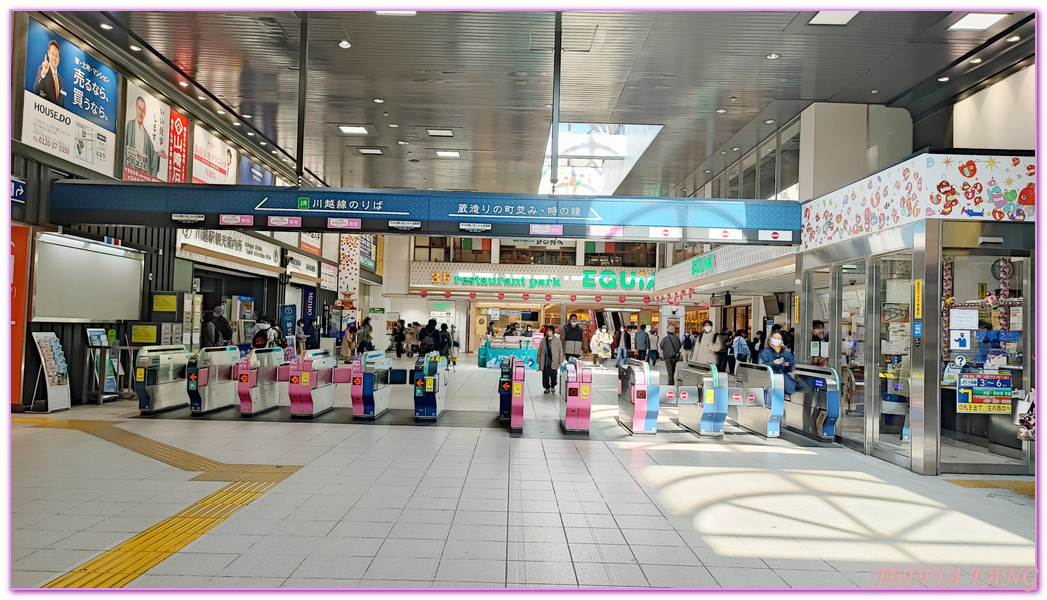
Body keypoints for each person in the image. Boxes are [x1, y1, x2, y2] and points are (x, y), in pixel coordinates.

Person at [124, 96, 168, 177]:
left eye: (143, 110)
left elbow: (151, 154)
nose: (140, 112)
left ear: (145, 113)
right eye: (139, 108)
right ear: (135, 108)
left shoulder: (146, 135)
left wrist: (157, 154)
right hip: (130, 169)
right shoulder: (130, 125)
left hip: (142, 172)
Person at [760, 330, 799, 404]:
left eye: (779, 338)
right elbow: (762, 366)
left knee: (789, 389)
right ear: (770, 339)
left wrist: (788, 365)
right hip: (770, 378)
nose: (776, 340)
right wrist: (773, 363)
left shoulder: (786, 353)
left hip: (782, 377)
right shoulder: (766, 352)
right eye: (775, 338)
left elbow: (792, 366)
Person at [33, 40, 65, 107]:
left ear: (59, 59)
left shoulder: (61, 81)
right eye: (52, 54)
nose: (54, 58)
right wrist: (43, 73)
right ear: (48, 53)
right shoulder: (43, 69)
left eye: (56, 56)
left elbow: (61, 105)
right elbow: (36, 90)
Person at [536, 325, 565, 394]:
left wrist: (561, 360)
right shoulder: (543, 340)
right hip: (545, 360)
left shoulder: (557, 340)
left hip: (554, 360)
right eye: (548, 330)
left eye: (550, 330)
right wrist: (538, 360)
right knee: (545, 374)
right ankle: (546, 387)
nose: (549, 332)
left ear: (553, 331)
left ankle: (553, 385)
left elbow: (560, 350)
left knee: (553, 374)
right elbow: (539, 350)